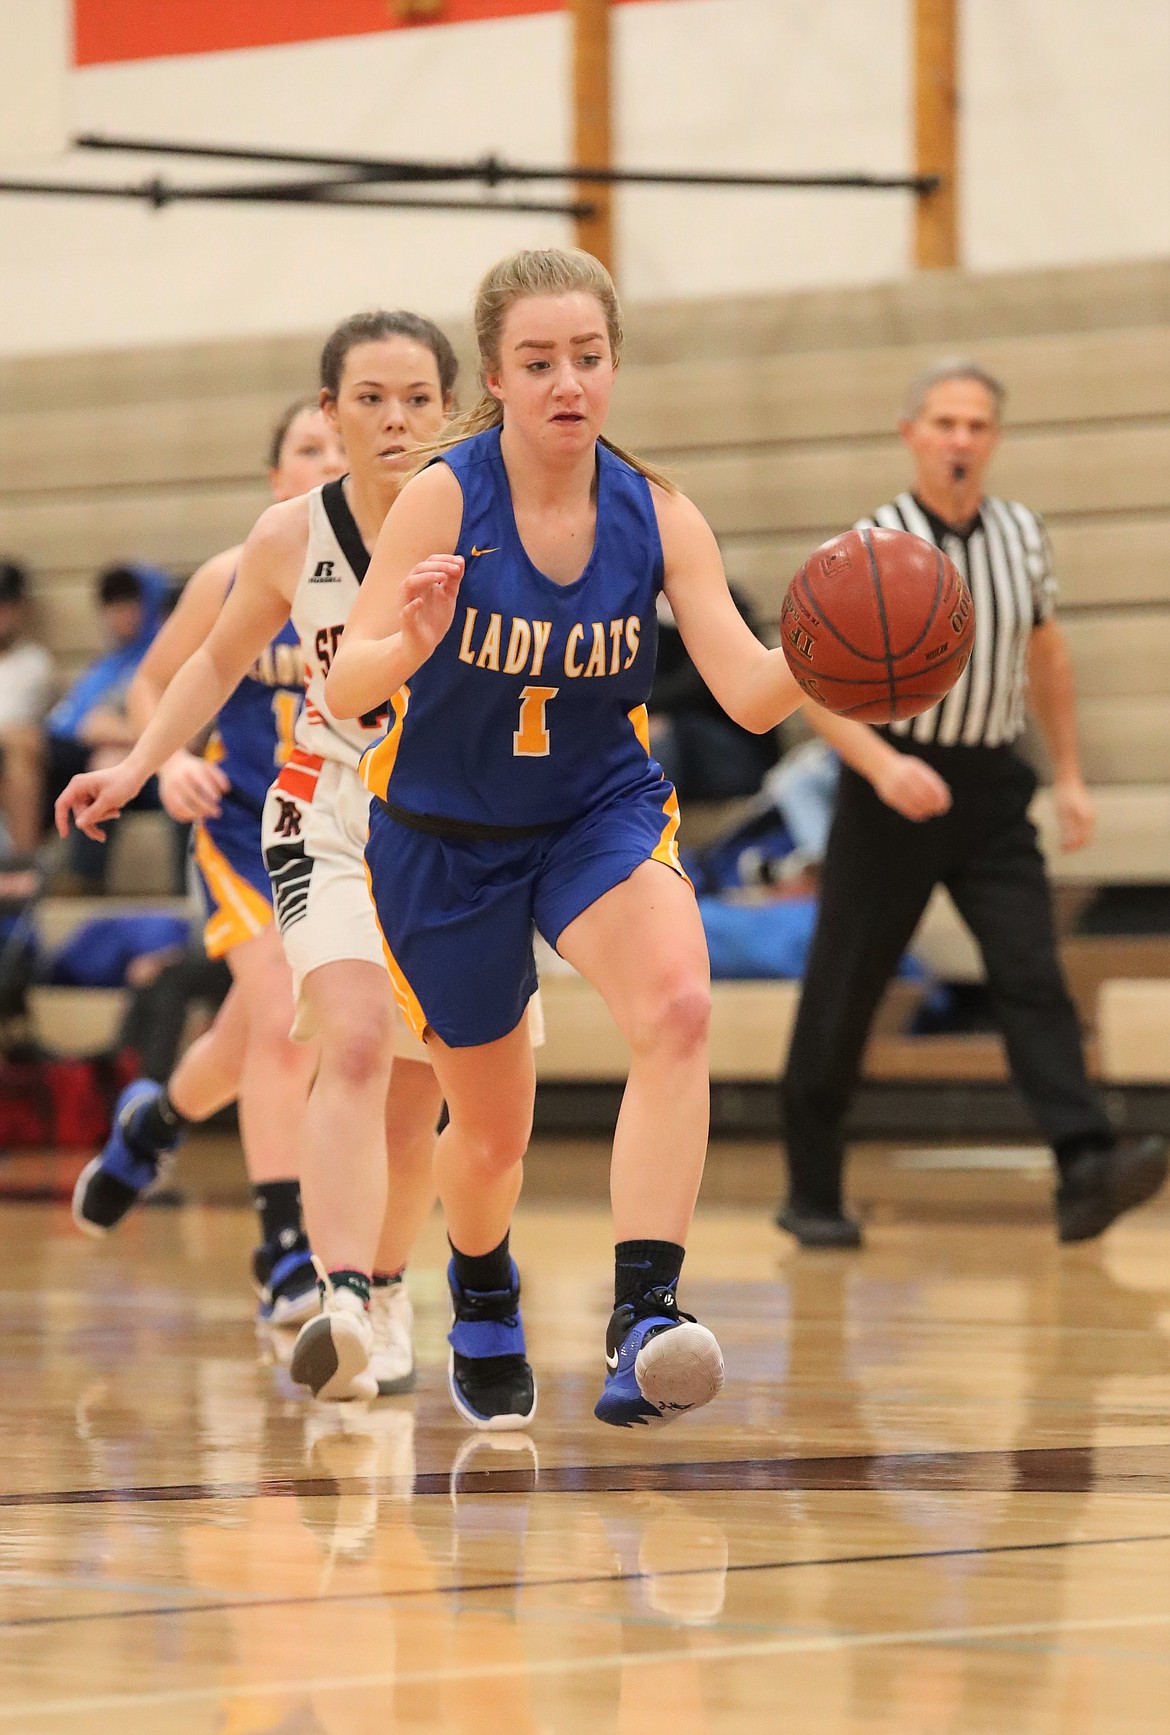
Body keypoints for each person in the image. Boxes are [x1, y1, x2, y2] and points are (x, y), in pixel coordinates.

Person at [325, 247, 805, 1430]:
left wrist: (833, 664)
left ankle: (645, 1313)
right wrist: (415, 643)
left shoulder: (658, 510)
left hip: (597, 812)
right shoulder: (446, 493)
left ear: (613, 365)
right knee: (491, 1134)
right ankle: (481, 1278)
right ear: (496, 373)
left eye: (587, 357)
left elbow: (746, 690)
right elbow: (347, 687)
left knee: (679, 1008)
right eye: (538, 362)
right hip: (443, 836)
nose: (566, 382)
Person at [57, 310, 465, 1401]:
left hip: (443, 826)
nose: (381, 428)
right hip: (286, 813)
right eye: (357, 408)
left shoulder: (484, 521)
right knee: (339, 1036)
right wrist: (151, 764)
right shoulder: (277, 548)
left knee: (411, 1079)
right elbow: (189, 669)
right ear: (314, 433)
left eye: (414, 399)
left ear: (450, 408)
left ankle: (173, 1131)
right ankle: (315, 1271)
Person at [776, 358, 1168, 1249]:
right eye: (945, 422)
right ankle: (811, 1188)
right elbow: (803, 680)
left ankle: (1084, 1167)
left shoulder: (1022, 533)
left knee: (1032, 975)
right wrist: (880, 764)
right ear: (911, 433)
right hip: (893, 782)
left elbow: (1049, 655)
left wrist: (1068, 773)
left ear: (994, 440)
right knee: (845, 984)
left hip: (991, 783)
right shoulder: (872, 540)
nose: (960, 439)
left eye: (977, 425)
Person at [71, 398, 347, 1331]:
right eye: (310, 448)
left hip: (346, 834)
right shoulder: (237, 575)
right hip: (242, 832)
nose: (328, 461)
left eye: (343, 449)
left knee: (244, 1042)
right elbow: (154, 679)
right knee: (280, 1023)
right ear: (277, 479)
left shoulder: (387, 583)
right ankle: (283, 1248)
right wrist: (176, 757)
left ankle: (153, 1125)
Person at [45, 562, 175, 892]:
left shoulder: (165, 659)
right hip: (131, 765)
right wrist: (147, 735)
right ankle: (39, 865)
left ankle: (82, 879)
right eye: (112, 605)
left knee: (106, 761)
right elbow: (85, 724)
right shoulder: (109, 666)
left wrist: (151, 738)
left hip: (164, 770)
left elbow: (191, 736)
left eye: (130, 602)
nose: (121, 613)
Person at [648, 585, 778, 800]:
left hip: (736, 749)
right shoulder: (634, 609)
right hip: (683, 748)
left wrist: (653, 706)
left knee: (662, 734)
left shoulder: (728, 605)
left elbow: (702, 685)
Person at [0, 561, 55, 856]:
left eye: (5, 604)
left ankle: (23, 865)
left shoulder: (33, 663)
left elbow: (14, 722)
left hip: (10, 759)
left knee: (21, 744)